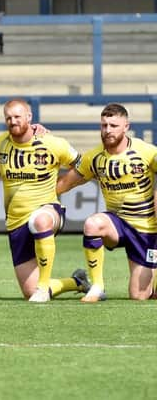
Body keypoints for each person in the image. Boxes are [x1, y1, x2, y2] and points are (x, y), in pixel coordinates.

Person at [0, 99, 90, 303]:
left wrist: (61, 187)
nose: (13, 121)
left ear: (29, 117)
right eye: (8, 117)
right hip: (16, 222)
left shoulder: (52, 143)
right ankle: (76, 281)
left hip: (48, 211)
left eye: (17, 116)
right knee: (28, 291)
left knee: (39, 221)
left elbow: (83, 166)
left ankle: (43, 288)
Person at [57, 103, 157, 301]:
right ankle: (97, 287)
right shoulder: (94, 157)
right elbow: (64, 184)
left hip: (146, 229)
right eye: (104, 125)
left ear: (126, 127)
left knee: (139, 296)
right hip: (117, 224)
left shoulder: (146, 152)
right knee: (93, 224)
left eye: (113, 125)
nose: (107, 130)